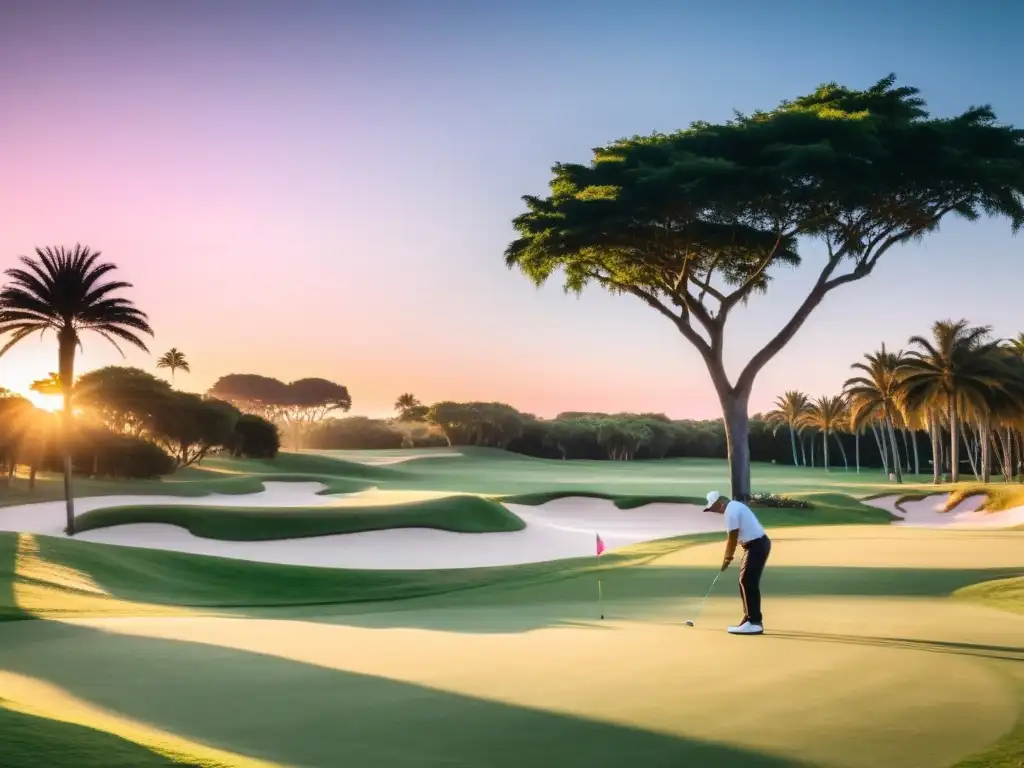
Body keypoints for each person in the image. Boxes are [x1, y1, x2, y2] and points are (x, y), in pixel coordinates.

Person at [703, 490, 771, 635]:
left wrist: (727, 558)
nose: (715, 512)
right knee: (746, 581)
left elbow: (732, 539)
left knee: (747, 581)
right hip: (757, 544)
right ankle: (749, 619)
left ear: (720, 504)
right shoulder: (734, 506)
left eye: (714, 508)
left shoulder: (730, 512)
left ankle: (754, 622)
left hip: (756, 546)